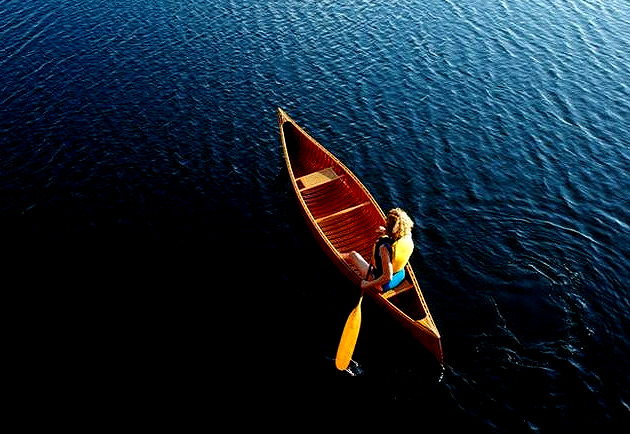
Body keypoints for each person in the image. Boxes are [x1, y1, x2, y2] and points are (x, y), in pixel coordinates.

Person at [341, 208, 414, 293]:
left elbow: (388, 277)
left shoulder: (385, 248)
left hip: (382, 284)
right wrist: (386, 232)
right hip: (400, 275)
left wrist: (367, 284)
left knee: (353, 255)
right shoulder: (408, 235)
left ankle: (337, 255)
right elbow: (396, 237)